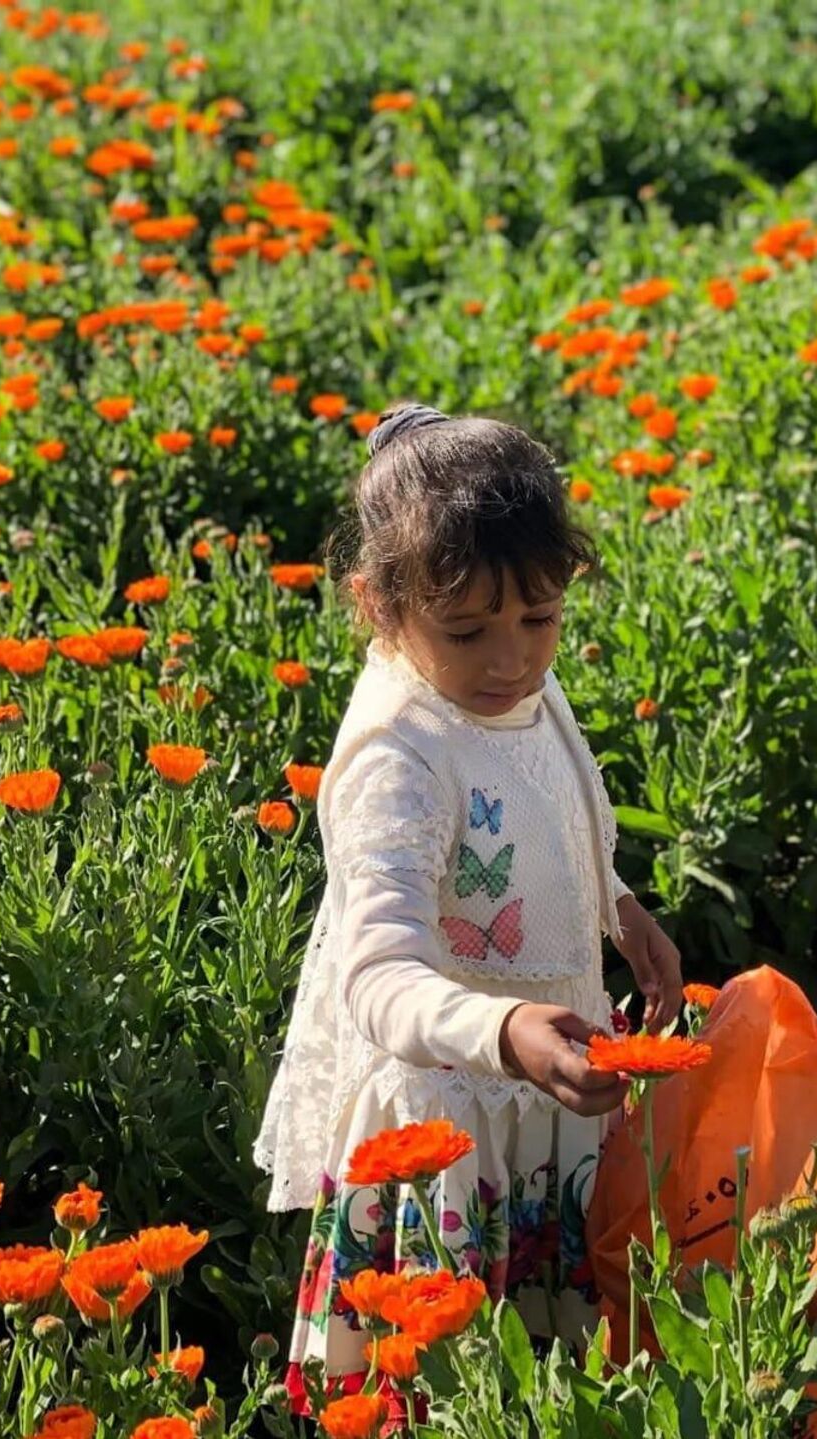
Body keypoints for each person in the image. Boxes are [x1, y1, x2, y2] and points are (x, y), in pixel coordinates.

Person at [251, 403, 683, 1409]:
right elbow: (380, 974)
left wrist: (620, 906)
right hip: (449, 1134)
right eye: (468, 630)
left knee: (550, 1385)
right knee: (453, 1387)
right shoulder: (398, 757)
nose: (511, 657)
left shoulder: (516, 688)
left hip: (540, 1093)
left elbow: (545, 815)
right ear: (376, 606)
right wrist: (506, 1027)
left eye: (538, 617)